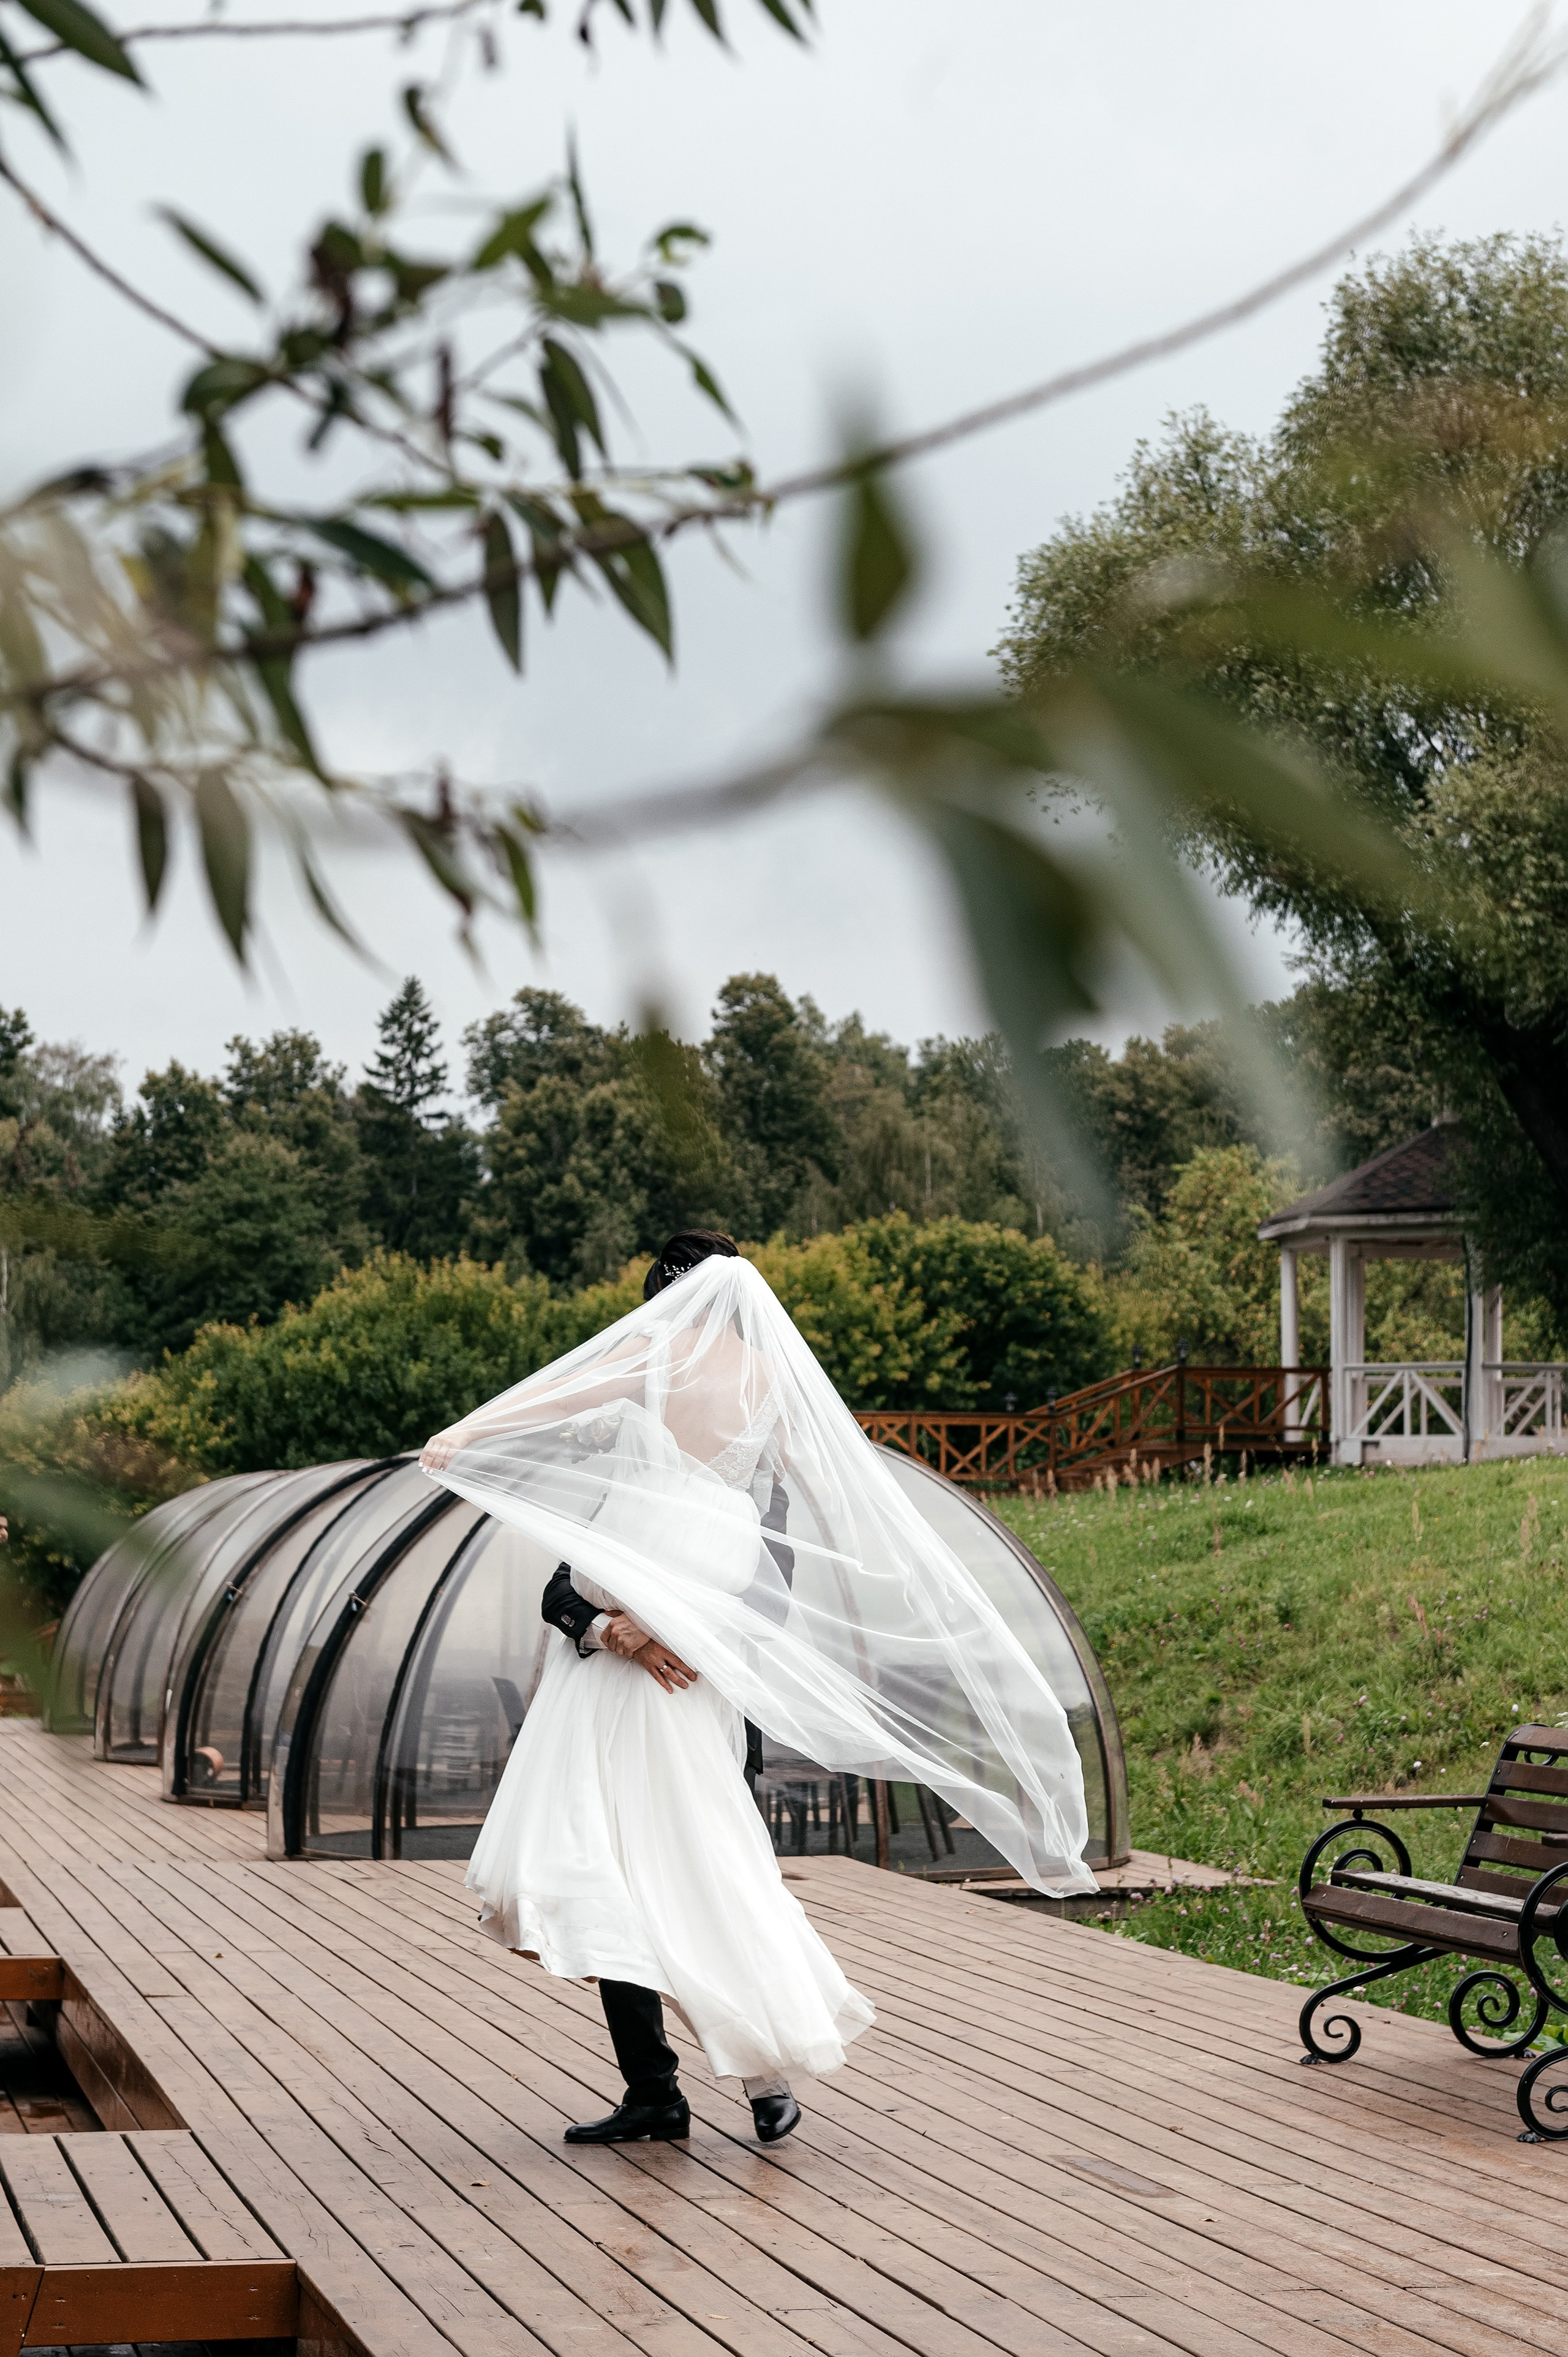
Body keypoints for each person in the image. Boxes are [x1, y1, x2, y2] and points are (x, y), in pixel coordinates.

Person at [421, 1228, 1094, 2147]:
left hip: (662, 1678)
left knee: (638, 1862)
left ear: (671, 1296)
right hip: (667, 1665)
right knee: (673, 1864)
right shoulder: (775, 1389)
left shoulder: (650, 1358)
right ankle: (681, 2088)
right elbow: (818, 1517)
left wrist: (462, 1437)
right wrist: (624, 1629)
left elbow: (549, 1401)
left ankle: (742, 2071)